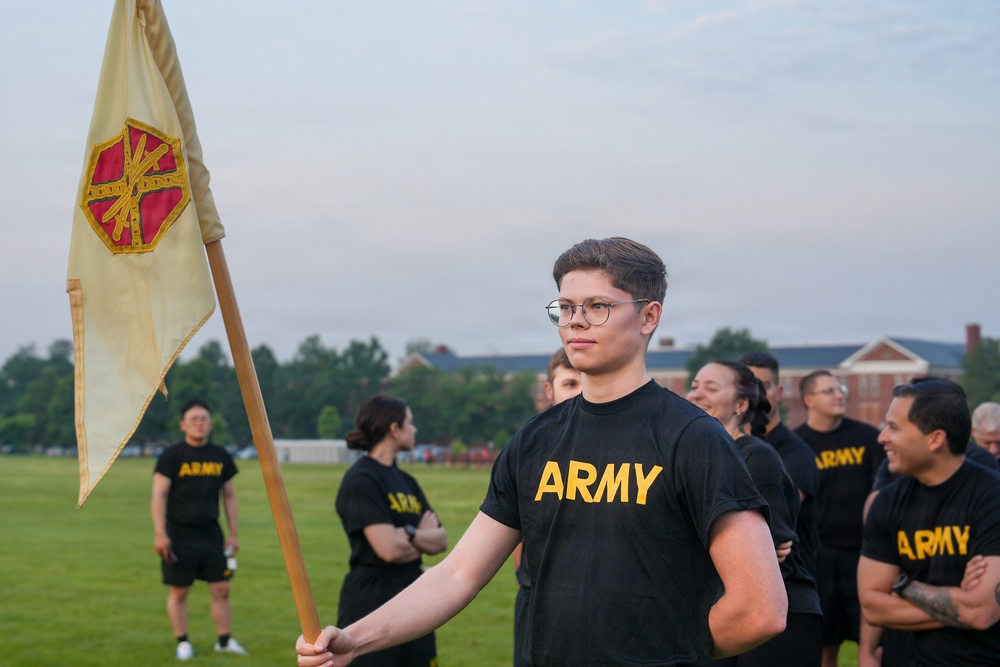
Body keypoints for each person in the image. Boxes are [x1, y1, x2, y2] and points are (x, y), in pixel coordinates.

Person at [296, 237, 787, 666]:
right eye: (565, 307)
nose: (575, 321)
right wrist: (355, 640)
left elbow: (760, 608)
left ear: (649, 316)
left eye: (597, 306)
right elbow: (458, 574)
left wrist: (669, 652)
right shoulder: (535, 439)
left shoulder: (693, 438)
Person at [689, 359, 822, 667]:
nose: (696, 394)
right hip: (720, 608)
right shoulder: (695, 458)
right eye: (694, 386)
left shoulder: (757, 458)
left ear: (740, 404)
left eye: (711, 387)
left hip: (779, 616)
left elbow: (765, 553)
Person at [858, 377, 1000, 666]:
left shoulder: (992, 498)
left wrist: (901, 586)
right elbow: (873, 607)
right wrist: (960, 600)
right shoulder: (888, 503)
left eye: (894, 428)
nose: (881, 437)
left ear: (935, 439)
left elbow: (983, 612)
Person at [335, 395, 448, 667]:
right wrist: (417, 534)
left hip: (415, 596)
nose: (415, 429)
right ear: (394, 429)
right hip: (372, 599)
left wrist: (406, 534)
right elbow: (389, 550)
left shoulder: (406, 480)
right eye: (410, 423)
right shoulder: (362, 479)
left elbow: (441, 541)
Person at [793, 370, 884, 667]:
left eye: (840, 388)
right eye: (829, 390)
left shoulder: (869, 438)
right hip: (819, 559)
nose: (839, 395)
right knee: (824, 648)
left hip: (865, 557)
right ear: (808, 400)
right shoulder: (797, 445)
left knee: (874, 647)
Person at [152, 399, 247, 660]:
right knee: (180, 590)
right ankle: (183, 642)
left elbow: (229, 496)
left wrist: (233, 532)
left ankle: (224, 641)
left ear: (210, 423)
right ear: (183, 424)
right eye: (193, 419)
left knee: (221, 588)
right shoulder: (171, 456)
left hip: (211, 533)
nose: (199, 423)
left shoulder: (220, 455)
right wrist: (160, 533)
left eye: (204, 418)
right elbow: (159, 496)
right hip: (179, 534)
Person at [512, 348, 582, 666]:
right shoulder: (529, 449)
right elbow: (517, 529)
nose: (580, 393)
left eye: (587, 382)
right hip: (538, 602)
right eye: (570, 384)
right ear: (549, 391)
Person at [739, 352, 820, 577]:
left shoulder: (796, 453)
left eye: (764, 385)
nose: (756, 394)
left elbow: (770, 515)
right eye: (748, 386)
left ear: (780, 392)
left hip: (790, 582)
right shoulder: (726, 445)